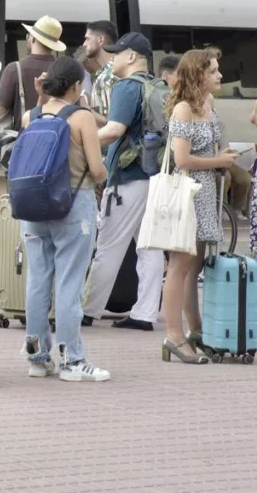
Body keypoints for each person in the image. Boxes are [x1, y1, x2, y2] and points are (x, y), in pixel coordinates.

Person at [19, 56, 110, 382]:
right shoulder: (82, 118)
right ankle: (73, 360)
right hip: (73, 205)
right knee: (70, 284)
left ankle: (37, 357)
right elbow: (98, 171)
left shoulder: (31, 115)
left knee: (37, 282)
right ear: (76, 86)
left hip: (32, 208)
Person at [82, 33, 166, 331]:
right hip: (154, 177)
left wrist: (83, 142)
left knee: (108, 245)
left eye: (117, 53)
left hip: (128, 178)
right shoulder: (158, 86)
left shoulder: (127, 86)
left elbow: (115, 130)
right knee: (150, 248)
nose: (113, 58)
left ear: (131, 57)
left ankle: (88, 310)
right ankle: (144, 314)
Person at [162, 49, 237, 364]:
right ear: (198, 75)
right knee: (179, 267)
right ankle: (173, 336)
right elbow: (181, 160)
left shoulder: (209, 105)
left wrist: (226, 156)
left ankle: (196, 331)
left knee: (193, 267)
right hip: (190, 193)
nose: (220, 76)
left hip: (207, 194)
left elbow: (213, 146)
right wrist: (218, 160)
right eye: (214, 71)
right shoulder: (183, 109)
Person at [0, 16, 67, 133]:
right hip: (58, 140)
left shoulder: (14, 69)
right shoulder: (64, 70)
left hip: (24, 140)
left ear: (32, 39)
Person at [82, 20, 118, 125]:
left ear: (101, 40)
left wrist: (85, 107)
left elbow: (110, 123)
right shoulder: (107, 73)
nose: (84, 44)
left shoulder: (109, 76)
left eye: (87, 39)